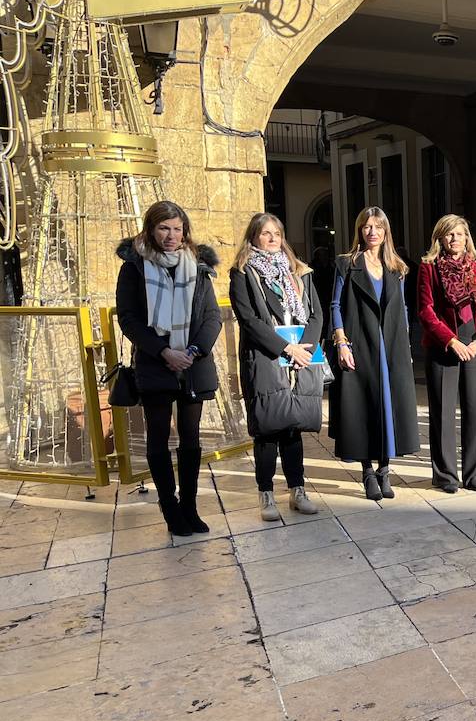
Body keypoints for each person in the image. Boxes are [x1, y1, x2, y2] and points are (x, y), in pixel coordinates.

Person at [115, 201, 222, 536]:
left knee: (191, 438)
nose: (171, 235)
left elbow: (212, 316)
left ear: (185, 231)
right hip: (155, 362)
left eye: (177, 229)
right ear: (151, 229)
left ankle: (189, 505)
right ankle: (170, 506)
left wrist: (192, 351)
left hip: (193, 363)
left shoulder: (199, 267)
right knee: (158, 436)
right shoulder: (134, 267)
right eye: (164, 228)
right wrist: (164, 352)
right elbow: (129, 319)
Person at [227, 212, 323, 522]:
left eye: (277, 234)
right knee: (268, 426)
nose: (272, 239)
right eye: (265, 233)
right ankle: (266, 493)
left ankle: (297, 490)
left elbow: (316, 314)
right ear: (254, 237)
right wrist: (286, 348)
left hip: (300, 357)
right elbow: (249, 319)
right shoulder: (243, 273)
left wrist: (304, 349)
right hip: (266, 356)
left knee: (293, 425)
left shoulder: (299, 271)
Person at [329, 206, 420, 499]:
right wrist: (341, 342)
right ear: (360, 230)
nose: (372, 232)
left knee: (390, 408)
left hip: (391, 346)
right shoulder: (347, 264)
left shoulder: (397, 267)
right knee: (363, 408)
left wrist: (406, 346)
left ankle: (384, 470)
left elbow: (403, 308)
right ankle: (367, 471)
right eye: (367, 226)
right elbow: (335, 305)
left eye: (378, 227)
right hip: (359, 344)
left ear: (385, 232)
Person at [417, 214, 476, 493]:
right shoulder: (428, 268)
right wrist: (451, 341)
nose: (454, 239)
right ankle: (446, 476)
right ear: (440, 238)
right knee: (442, 413)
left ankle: (475, 474)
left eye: (459, 234)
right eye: (449, 234)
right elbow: (426, 311)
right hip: (443, 346)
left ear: (467, 238)